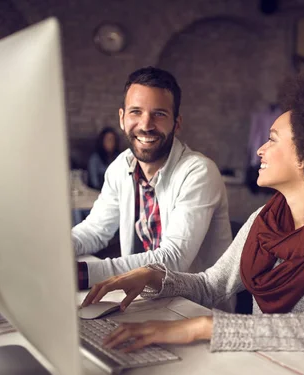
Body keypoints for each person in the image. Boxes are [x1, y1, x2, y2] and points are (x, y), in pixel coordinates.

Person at [81, 70, 304, 360]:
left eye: (273, 139)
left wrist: (201, 327)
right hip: (257, 363)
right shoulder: (263, 220)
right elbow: (211, 285)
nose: (260, 151)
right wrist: (155, 277)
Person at [72, 67, 232, 296]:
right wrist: (56, 251)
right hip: (143, 298)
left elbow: (173, 259)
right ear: (122, 118)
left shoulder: (199, 172)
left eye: (159, 114)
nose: (146, 125)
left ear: (176, 124)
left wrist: (82, 273)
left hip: (194, 309)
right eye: (136, 112)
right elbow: (96, 230)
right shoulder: (120, 166)